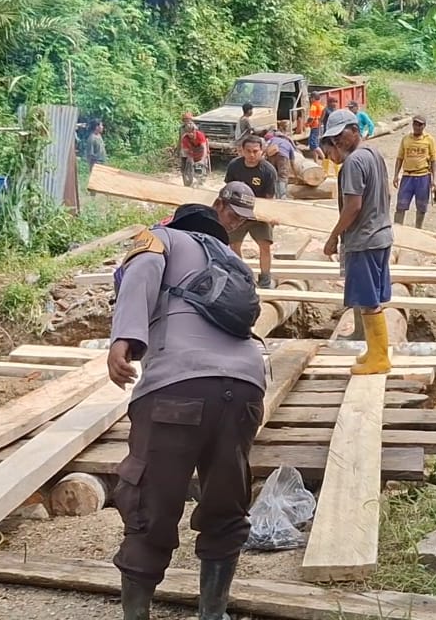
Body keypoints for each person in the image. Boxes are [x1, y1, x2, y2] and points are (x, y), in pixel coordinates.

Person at [107, 184, 266, 620]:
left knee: (150, 506)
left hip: (177, 389)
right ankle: (212, 614)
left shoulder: (161, 237)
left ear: (177, 223)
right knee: (226, 504)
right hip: (246, 388)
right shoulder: (233, 259)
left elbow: (140, 272)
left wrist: (124, 339)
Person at [319, 109, 393, 376]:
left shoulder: (353, 162)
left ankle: (379, 357)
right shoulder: (373, 154)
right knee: (370, 298)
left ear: (354, 130)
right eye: (334, 140)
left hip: (364, 240)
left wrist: (333, 238)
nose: (337, 144)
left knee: (368, 299)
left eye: (340, 137)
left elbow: (353, 206)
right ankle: (375, 351)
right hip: (381, 235)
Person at [224, 137, 279, 289]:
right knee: (234, 245)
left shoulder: (268, 171)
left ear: (262, 151)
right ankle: (242, 277)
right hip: (237, 213)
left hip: (259, 214)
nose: (252, 155)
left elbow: (269, 198)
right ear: (242, 150)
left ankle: (265, 279)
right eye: (248, 151)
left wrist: (270, 216)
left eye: (255, 151)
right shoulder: (234, 166)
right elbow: (228, 189)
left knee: (265, 245)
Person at [392, 116, 436, 229]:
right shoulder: (406, 139)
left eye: (420, 125)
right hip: (407, 176)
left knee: (421, 207)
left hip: (423, 176)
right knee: (401, 205)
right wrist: (396, 175)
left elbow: (434, 160)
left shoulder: (429, 140)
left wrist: (434, 179)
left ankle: (418, 229)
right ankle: (397, 229)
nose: (417, 127)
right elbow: (400, 158)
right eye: (415, 124)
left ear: (424, 126)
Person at [263, 125, 297, 199]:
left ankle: (274, 193)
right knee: (282, 175)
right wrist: (296, 174)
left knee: (273, 174)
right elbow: (292, 162)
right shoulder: (288, 143)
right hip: (283, 157)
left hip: (271, 156)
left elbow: (265, 147)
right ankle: (282, 195)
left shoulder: (273, 139)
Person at [179, 117, 209, 187]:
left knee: (201, 170)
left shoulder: (200, 135)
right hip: (192, 154)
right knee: (189, 165)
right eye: (188, 132)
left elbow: (204, 149)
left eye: (192, 132)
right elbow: (186, 151)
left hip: (201, 153)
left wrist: (202, 160)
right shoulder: (185, 138)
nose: (190, 134)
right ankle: (188, 182)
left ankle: (201, 182)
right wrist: (190, 158)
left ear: (195, 131)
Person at [307, 92, 326, 160]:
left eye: (311, 98)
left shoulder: (314, 106)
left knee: (313, 144)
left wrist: (306, 124)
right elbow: (323, 113)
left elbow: (311, 117)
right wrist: (320, 121)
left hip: (314, 126)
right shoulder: (320, 105)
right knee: (315, 144)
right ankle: (316, 161)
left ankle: (325, 159)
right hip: (318, 125)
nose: (310, 99)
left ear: (313, 98)